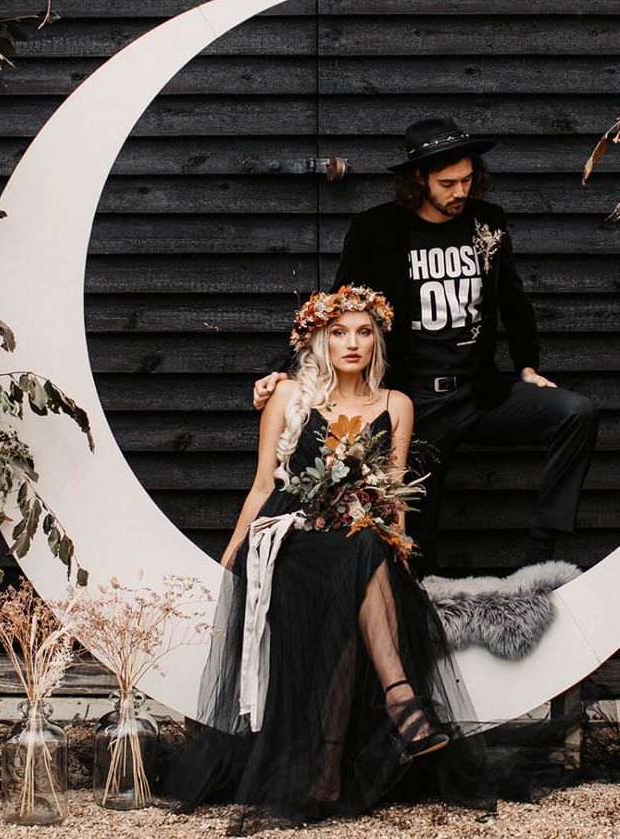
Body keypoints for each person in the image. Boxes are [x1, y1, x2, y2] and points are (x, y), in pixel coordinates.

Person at [163, 285, 495, 833]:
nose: (352, 342)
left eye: (364, 332)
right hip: (288, 539)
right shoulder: (288, 394)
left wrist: (401, 556)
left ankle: (324, 776)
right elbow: (262, 483)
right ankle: (403, 705)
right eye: (339, 332)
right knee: (359, 555)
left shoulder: (396, 405)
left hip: (356, 543)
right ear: (318, 338)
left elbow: (391, 496)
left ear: (377, 341)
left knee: (365, 552)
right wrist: (231, 556)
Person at [253, 117, 598, 573]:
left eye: (468, 179)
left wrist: (528, 366)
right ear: (418, 180)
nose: (460, 191)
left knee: (577, 412)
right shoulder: (377, 229)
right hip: (414, 405)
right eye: (448, 182)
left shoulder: (487, 222)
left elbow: (513, 299)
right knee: (413, 545)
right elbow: (339, 308)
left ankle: (542, 554)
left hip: (479, 393)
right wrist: (285, 371)